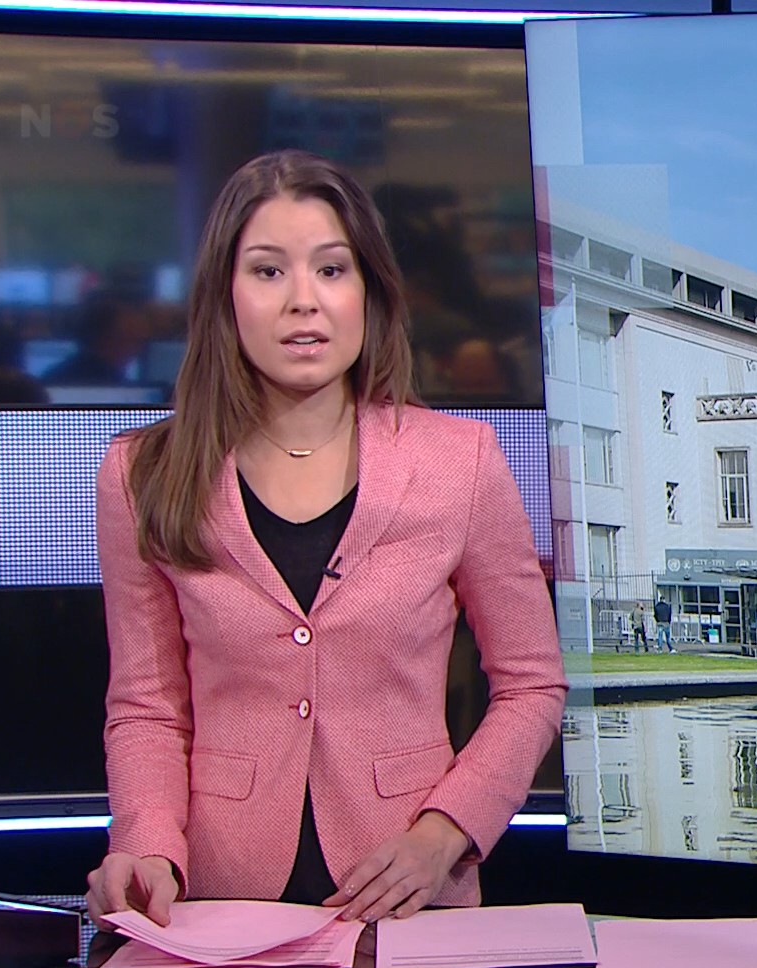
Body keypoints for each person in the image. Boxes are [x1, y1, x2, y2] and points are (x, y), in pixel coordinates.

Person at [83, 149, 566, 928]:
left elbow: (532, 686)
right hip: (218, 902)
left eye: (332, 270)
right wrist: (146, 847)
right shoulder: (143, 473)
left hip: (407, 896)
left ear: (369, 291)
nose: (303, 300)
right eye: (268, 271)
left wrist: (443, 836)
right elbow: (147, 707)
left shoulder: (461, 461)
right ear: (224, 295)